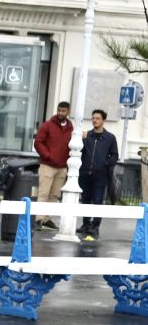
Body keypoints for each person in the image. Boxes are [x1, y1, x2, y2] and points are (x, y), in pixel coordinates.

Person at [78, 108, 118, 240]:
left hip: (100, 175)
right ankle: (85, 224)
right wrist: (80, 138)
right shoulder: (86, 135)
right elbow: (78, 151)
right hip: (85, 173)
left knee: (97, 200)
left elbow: (114, 155)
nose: (95, 120)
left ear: (103, 120)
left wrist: (105, 164)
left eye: (98, 118)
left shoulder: (110, 138)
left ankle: (95, 226)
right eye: (93, 118)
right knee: (85, 199)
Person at [32, 101, 72, 230]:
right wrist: (48, 155)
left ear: (68, 112)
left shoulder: (71, 128)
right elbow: (38, 142)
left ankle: (47, 219)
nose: (61, 113)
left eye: (63, 111)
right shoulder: (47, 125)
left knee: (54, 195)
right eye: (59, 110)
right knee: (43, 193)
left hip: (62, 167)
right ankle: (38, 219)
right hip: (47, 165)